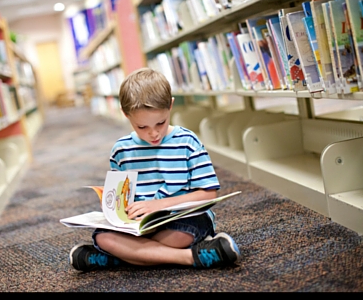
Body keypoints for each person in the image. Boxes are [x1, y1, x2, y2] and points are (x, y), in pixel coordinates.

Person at [69, 67, 241, 271]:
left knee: (180, 236)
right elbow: (123, 198)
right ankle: (192, 256)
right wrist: (116, 209)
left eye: (160, 123)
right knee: (105, 237)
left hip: (183, 219)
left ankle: (121, 258)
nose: (153, 134)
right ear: (126, 114)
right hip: (140, 226)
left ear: (170, 105)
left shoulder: (187, 141)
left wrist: (158, 205)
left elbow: (208, 193)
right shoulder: (121, 150)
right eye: (142, 127)